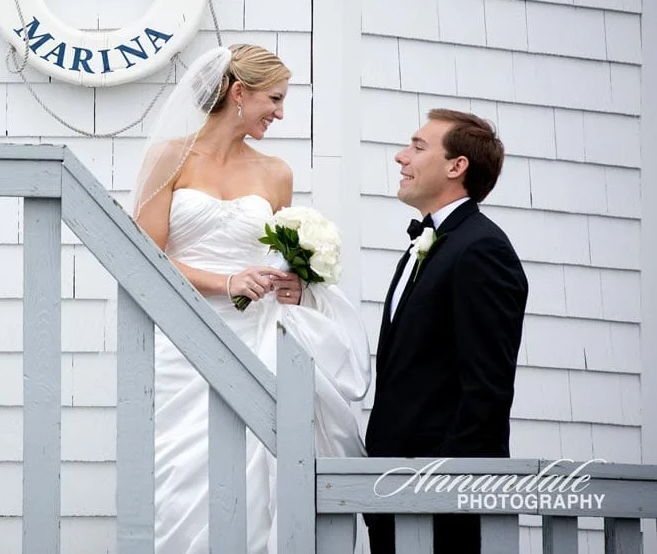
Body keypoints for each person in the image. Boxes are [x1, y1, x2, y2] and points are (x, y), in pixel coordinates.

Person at [132, 44, 372, 553]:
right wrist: (225, 282)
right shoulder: (171, 157)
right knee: (181, 478)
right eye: (275, 99)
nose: (280, 114)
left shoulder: (276, 173)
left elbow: (279, 259)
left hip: (257, 338)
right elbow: (145, 258)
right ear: (239, 93)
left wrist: (295, 285)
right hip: (184, 344)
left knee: (257, 471)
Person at [365, 109, 528, 554]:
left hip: (441, 505)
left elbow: (486, 392)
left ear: (457, 166)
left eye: (418, 147)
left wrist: (445, 492)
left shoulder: (482, 250)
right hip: (394, 490)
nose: (401, 156)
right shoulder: (429, 245)